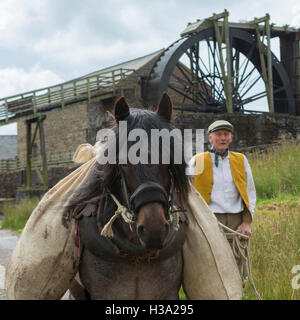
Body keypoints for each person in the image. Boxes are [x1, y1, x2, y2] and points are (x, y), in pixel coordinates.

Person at [186, 120, 256, 237]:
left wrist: (247, 221)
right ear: (210, 138)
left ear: (231, 138)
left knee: (238, 255)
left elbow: (250, 191)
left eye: (226, 134)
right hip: (207, 219)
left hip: (237, 221)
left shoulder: (241, 160)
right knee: (210, 255)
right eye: (218, 134)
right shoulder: (197, 160)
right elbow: (185, 191)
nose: (223, 138)